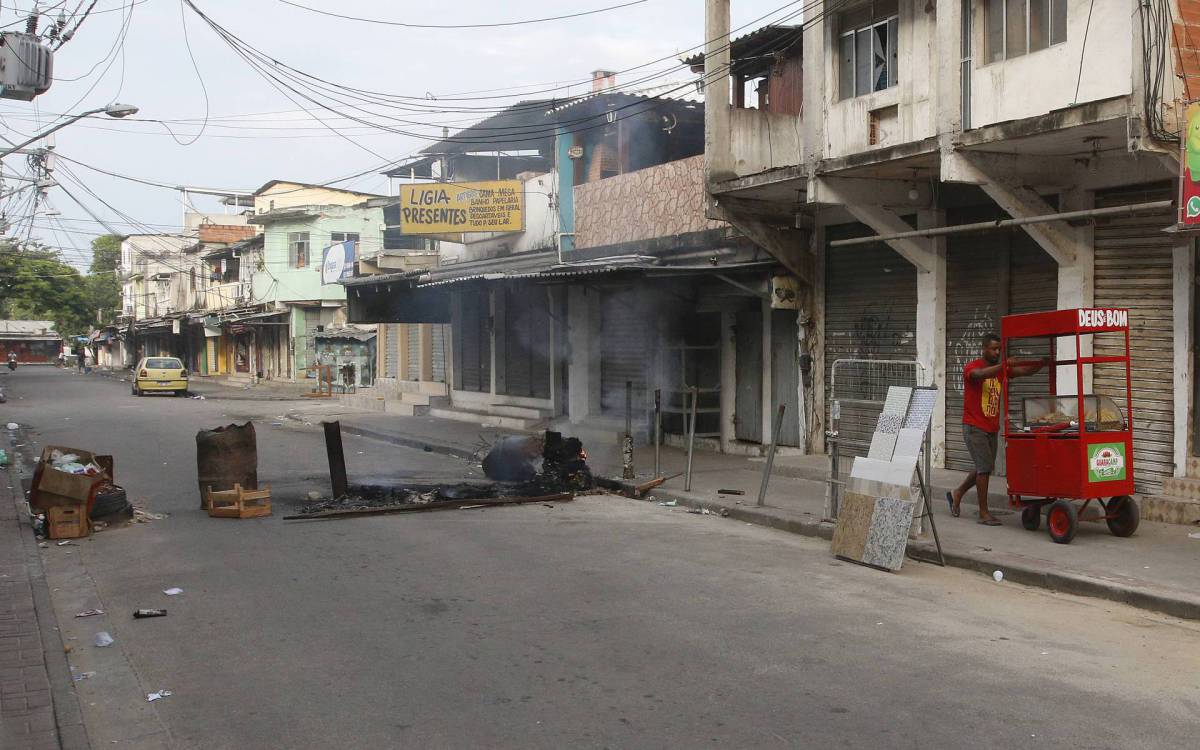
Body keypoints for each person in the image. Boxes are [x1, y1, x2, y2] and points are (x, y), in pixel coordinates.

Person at [948, 333, 1046, 525]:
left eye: (999, 349)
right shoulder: (972, 367)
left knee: (984, 467)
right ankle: (983, 513)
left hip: (991, 427)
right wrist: (1004, 365)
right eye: (993, 349)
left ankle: (957, 493)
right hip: (974, 426)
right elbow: (980, 375)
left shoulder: (1001, 370)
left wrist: (1040, 364)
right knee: (984, 468)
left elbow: (1024, 371)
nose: (997, 352)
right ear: (984, 349)